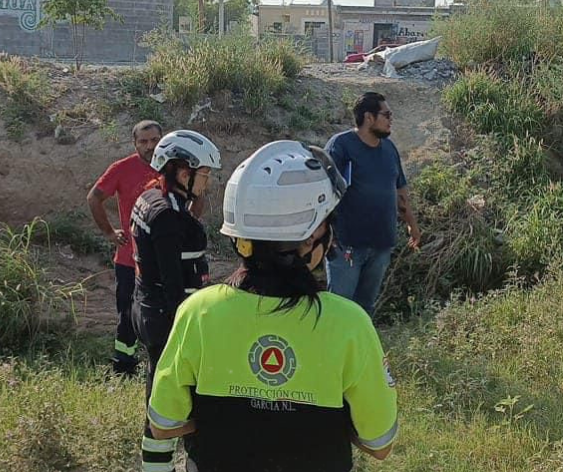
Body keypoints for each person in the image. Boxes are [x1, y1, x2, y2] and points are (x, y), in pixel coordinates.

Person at [146, 141, 399, 472]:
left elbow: (164, 424)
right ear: (309, 239)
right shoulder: (350, 323)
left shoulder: (199, 311)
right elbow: (379, 444)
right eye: (327, 222)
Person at [131, 129, 222, 472]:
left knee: (158, 388)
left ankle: (156, 464)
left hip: (146, 306)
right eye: (204, 175)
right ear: (183, 172)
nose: (207, 183)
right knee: (177, 397)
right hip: (167, 316)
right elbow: (173, 284)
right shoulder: (168, 217)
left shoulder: (151, 199)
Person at [324, 92, 421, 319]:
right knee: (339, 310)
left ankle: (361, 353)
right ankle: (333, 353)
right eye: (386, 114)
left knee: (364, 311)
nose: (390, 120)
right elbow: (323, 191)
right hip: (346, 245)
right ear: (368, 117)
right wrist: (323, 233)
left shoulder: (389, 150)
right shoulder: (341, 146)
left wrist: (412, 225)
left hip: (381, 245)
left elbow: (400, 191)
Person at [87, 120, 163, 376]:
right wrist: (109, 232)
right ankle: (124, 367)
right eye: (143, 141)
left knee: (167, 312)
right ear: (135, 144)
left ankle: (164, 366)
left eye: (154, 140)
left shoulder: (173, 167)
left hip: (165, 258)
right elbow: (94, 197)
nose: (150, 146)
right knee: (128, 314)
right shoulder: (122, 168)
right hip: (129, 259)